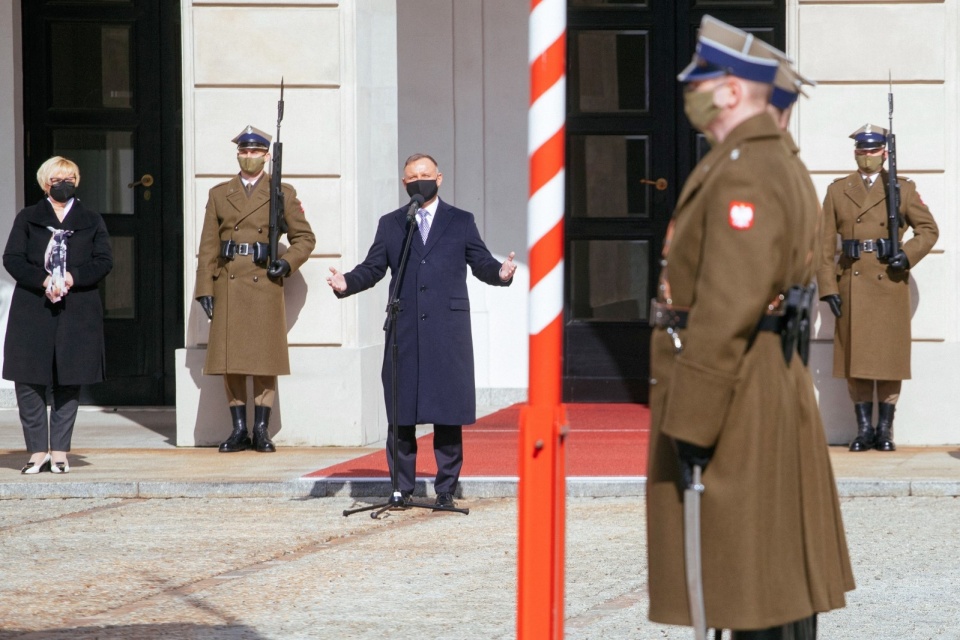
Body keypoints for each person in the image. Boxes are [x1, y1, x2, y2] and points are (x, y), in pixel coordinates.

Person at [646, 16, 854, 638]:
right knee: (766, 580)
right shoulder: (757, 158)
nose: (692, 89)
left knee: (749, 580)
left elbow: (728, 304)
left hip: (737, 393)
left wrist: (691, 423)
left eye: (702, 78)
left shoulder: (746, 167)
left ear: (733, 89)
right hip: (759, 380)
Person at [326, 153, 517, 508]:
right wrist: (346, 282)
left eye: (425, 174)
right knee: (401, 414)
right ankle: (400, 489)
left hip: (448, 332)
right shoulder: (393, 223)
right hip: (406, 331)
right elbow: (373, 268)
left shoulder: (461, 221)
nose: (419, 180)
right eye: (412, 176)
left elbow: (481, 262)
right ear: (404, 184)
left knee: (447, 414)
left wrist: (501, 273)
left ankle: (446, 490)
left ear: (439, 178)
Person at [194, 125, 316, 453]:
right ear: (238, 154)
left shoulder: (282, 193)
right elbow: (208, 246)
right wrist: (205, 286)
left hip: (264, 281)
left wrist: (287, 263)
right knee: (230, 359)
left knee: (264, 360)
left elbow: (305, 238)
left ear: (266, 156)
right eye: (244, 152)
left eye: (255, 152)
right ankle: (237, 430)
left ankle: (261, 429)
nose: (249, 157)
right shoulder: (220, 193)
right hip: (229, 281)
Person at [817, 125, 938, 452]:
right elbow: (824, 243)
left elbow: (928, 230)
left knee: (888, 358)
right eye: (862, 151)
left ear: (885, 153)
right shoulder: (838, 191)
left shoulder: (901, 188)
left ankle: (884, 430)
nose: (867, 156)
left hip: (889, 280)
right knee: (855, 358)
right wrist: (828, 286)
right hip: (852, 281)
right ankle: (864, 429)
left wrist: (906, 255)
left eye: (873, 151)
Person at [3, 156, 113, 474]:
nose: (63, 183)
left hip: (77, 309)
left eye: (69, 177)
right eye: (56, 178)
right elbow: (12, 258)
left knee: (69, 379)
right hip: (33, 308)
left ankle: (60, 451)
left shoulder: (91, 219)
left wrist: (71, 277)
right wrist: (43, 279)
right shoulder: (28, 218)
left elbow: (104, 260)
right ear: (44, 182)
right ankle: (37, 451)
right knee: (30, 380)